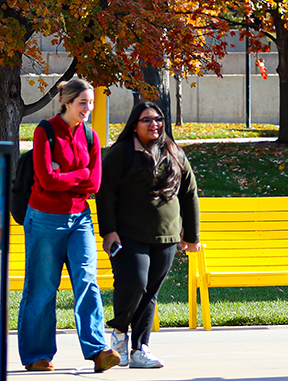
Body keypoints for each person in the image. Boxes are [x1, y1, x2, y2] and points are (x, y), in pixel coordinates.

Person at [18, 78, 120, 373]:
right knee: (42, 287)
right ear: (67, 102)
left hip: (80, 219)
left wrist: (67, 176)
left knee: (87, 281)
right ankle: (37, 355)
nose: (88, 108)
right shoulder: (45, 132)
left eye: (91, 103)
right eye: (83, 103)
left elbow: (96, 182)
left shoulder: (90, 136)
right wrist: (80, 175)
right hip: (44, 219)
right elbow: (46, 179)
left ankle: (98, 351)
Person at [96, 101, 200, 369]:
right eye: (147, 120)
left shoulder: (174, 152)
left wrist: (192, 236)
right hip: (128, 236)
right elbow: (105, 194)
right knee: (135, 284)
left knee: (150, 292)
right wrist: (108, 232)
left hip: (166, 236)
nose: (154, 124)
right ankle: (119, 332)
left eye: (158, 119)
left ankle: (140, 349)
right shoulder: (121, 153)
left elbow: (189, 194)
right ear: (134, 125)